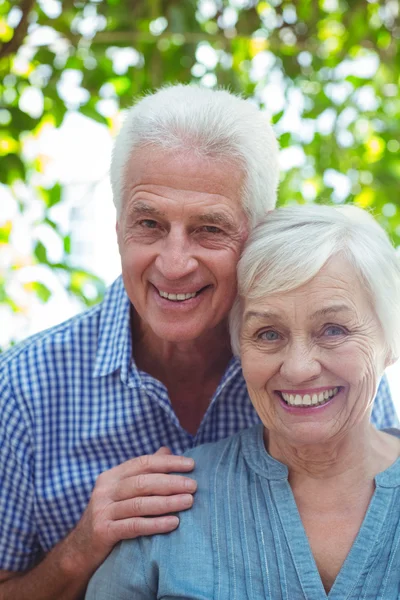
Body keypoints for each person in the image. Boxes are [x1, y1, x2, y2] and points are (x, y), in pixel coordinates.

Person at [0, 86, 395, 599]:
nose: (175, 263)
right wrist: (80, 548)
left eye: (210, 228)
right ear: (118, 227)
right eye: (149, 224)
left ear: (256, 236)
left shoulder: (324, 375)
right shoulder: (22, 390)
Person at [86, 204, 400, 599]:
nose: (299, 368)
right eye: (269, 334)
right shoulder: (169, 507)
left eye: (333, 329)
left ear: (389, 342)